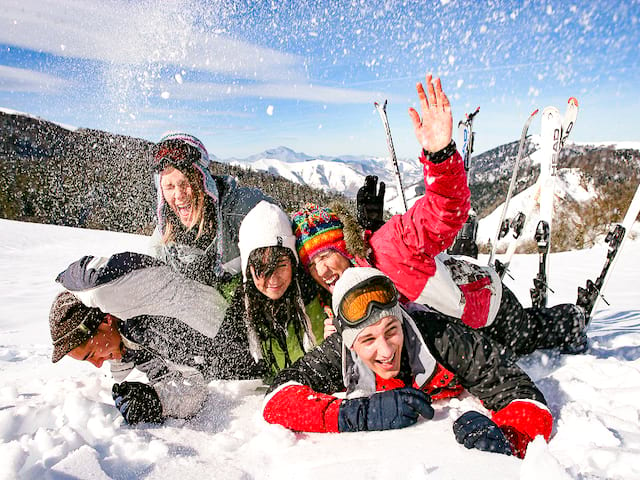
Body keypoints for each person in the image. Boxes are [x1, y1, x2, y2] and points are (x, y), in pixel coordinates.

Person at [291, 72, 586, 356]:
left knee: (529, 335)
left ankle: (571, 320)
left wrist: (440, 156)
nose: (322, 270)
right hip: (456, 334)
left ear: (343, 245)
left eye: (324, 255)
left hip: (482, 306)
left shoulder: (391, 245)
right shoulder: (337, 297)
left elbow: (444, 211)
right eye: (311, 264)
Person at [263, 268, 552, 458]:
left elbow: (517, 388)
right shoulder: (337, 351)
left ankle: (570, 320)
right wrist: (359, 414)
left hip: (492, 323)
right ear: (350, 343)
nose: (386, 350)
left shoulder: (442, 337)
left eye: (392, 330)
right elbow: (277, 398)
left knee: (535, 333)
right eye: (368, 340)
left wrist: (509, 437)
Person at [49, 291, 209, 425]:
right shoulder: (128, 344)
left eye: (91, 355)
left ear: (105, 321)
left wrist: (158, 401)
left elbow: (201, 379)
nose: (97, 364)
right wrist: (151, 395)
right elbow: (166, 374)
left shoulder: (145, 326)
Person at [215, 200, 326, 379]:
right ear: (248, 269)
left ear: (293, 262)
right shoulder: (236, 310)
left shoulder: (315, 291)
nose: (273, 280)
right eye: (262, 269)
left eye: (281, 265)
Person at [149, 132, 271, 292]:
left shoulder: (239, 209)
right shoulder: (162, 241)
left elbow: (284, 226)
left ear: (204, 182)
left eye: (186, 183)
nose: (178, 195)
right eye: (169, 187)